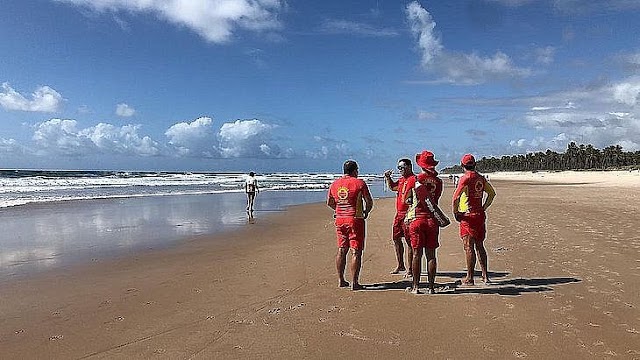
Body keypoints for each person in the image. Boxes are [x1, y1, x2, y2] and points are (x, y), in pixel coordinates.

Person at [327, 160, 374, 291]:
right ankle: (355, 282)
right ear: (355, 170)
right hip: (355, 218)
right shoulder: (359, 183)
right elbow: (369, 201)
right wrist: (366, 211)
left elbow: (330, 202)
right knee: (356, 251)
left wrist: (339, 210)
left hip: (340, 219)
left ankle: (341, 280)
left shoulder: (335, 184)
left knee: (342, 249)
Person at [452, 154, 496, 285]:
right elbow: (492, 193)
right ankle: (485, 276)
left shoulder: (465, 179)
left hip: (468, 215)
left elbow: (456, 197)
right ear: (474, 164)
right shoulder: (481, 178)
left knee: (468, 246)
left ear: (462, 165)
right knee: (480, 246)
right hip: (479, 214)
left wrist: (455, 212)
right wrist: (484, 207)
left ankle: (470, 278)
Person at [405, 151, 442, 294]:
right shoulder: (438, 181)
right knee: (431, 255)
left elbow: (406, 199)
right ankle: (431, 287)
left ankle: (416, 286)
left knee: (416, 254)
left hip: (417, 219)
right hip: (432, 219)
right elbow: (436, 199)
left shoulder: (415, 180)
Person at [383, 158, 416, 275]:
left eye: (402, 168)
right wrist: (388, 177)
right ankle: (400, 265)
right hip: (399, 214)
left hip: (409, 214)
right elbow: (393, 187)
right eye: (399, 168)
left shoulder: (414, 179)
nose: (400, 170)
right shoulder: (402, 180)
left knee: (409, 242)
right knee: (396, 238)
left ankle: (411, 269)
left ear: (409, 167)